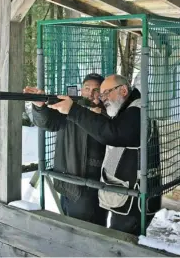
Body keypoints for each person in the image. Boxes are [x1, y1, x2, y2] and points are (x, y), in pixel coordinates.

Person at [47, 74, 162, 236]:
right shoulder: (131, 108)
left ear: (123, 90)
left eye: (106, 93)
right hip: (130, 196)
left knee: (121, 242)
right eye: (102, 95)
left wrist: (74, 110)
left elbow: (112, 134)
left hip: (133, 199)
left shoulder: (136, 112)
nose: (103, 98)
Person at [24, 73, 108, 226]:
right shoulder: (69, 109)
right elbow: (47, 122)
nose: (90, 93)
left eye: (96, 90)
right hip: (67, 179)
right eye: (87, 88)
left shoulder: (108, 114)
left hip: (92, 183)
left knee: (89, 228)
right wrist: (39, 106)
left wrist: (99, 114)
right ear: (81, 91)